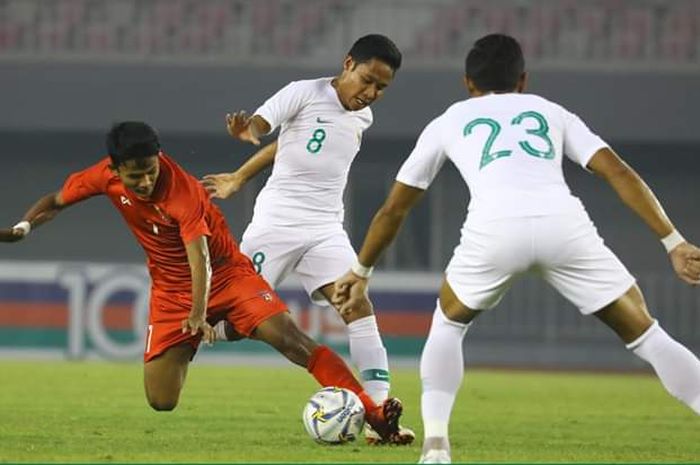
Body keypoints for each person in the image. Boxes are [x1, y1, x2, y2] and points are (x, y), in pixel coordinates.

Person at [331, 34, 700, 464]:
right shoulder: (552, 112)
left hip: (494, 229)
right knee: (648, 334)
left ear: (468, 82)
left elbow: (394, 209)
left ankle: (435, 446)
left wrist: (360, 271)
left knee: (448, 325)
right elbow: (616, 171)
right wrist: (673, 241)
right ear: (522, 80)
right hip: (563, 225)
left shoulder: (450, 120)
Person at [0, 121, 407, 443]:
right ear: (115, 168)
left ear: (159, 158)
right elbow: (55, 201)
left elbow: (201, 258)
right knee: (161, 401)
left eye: (149, 171)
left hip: (229, 275)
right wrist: (24, 226)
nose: (144, 182)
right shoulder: (101, 177)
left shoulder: (182, 191)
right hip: (170, 292)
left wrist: (199, 314)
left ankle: (377, 418)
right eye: (134, 176)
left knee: (291, 341)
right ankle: (226, 329)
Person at [201, 34, 414, 444]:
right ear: (348, 63)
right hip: (276, 224)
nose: (371, 93)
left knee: (355, 301)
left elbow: (291, 144)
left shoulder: (362, 117)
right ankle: (200, 332)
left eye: (381, 88)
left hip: (325, 228)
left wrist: (243, 174)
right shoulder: (305, 92)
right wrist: (248, 137)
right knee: (233, 317)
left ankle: (381, 411)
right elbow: (264, 128)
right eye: (367, 80)